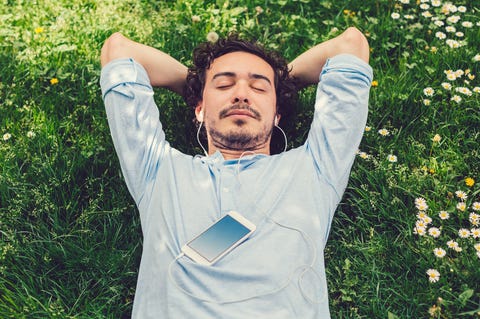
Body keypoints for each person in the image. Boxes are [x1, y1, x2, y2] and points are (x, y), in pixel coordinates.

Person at [100, 26, 372, 318]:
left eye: (258, 87)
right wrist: (195, 86)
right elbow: (118, 50)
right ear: (199, 110)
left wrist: (282, 83)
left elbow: (351, 45)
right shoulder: (158, 170)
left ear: (277, 113)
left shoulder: (316, 168)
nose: (241, 94)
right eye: (224, 85)